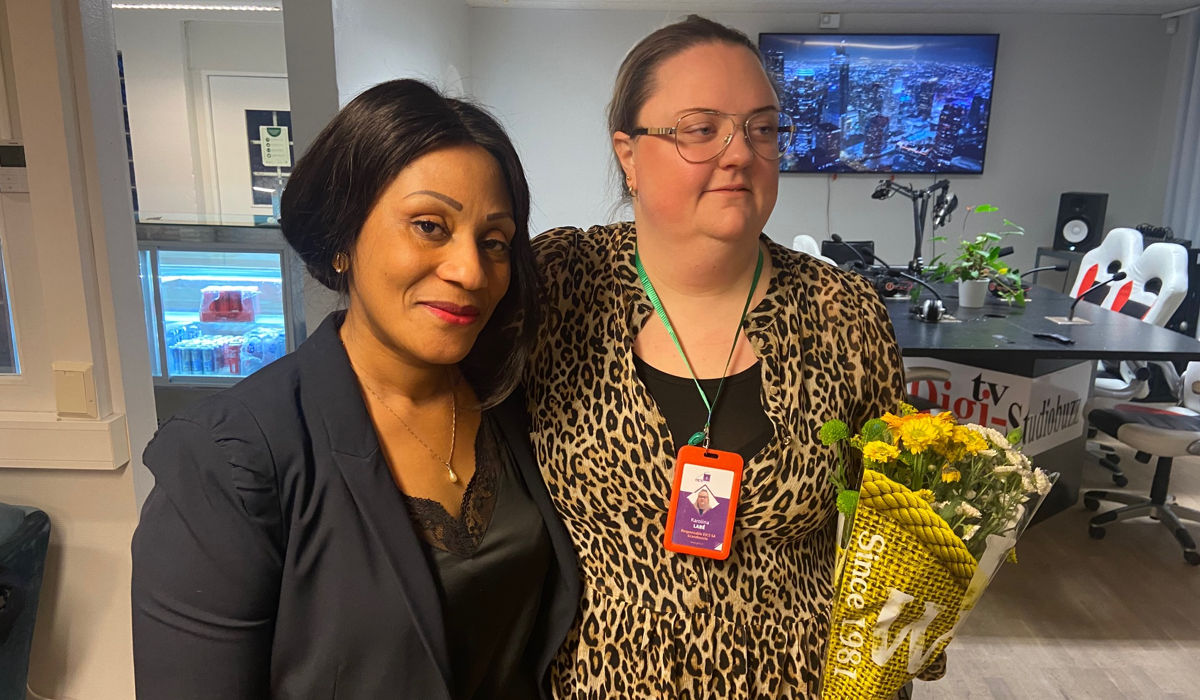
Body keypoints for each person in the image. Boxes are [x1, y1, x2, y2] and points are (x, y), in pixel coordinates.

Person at [131, 79, 579, 699]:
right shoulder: (230, 459)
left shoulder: (515, 406)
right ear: (343, 238)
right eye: (430, 226)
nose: (471, 270)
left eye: (494, 241)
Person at [524, 16, 925, 697]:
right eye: (700, 129)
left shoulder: (845, 313)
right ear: (628, 153)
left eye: (762, 128)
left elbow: (892, 533)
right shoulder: (558, 283)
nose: (740, 153)